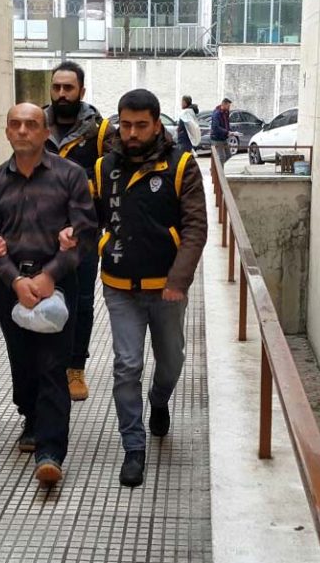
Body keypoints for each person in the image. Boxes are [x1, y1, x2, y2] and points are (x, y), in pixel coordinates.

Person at [93, 89, 207, 487]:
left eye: (141, 125)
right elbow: (93, 218)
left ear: (157, 124)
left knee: (171, 360)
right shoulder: (104, 167)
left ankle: (159, 400)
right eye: (125, 125)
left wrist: (178, 280)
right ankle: (133, 447)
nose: (132, 133)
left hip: (166, 288)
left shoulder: (181, 165)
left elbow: (195, 227)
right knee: (127, 365)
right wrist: (80, 234)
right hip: (119, 286)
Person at [0, 103, 97, 485]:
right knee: (22, 362)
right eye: (15, 124)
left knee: (52, 365)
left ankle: (51, 452)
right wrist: (15, 280)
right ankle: (30, 416)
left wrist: (50, 274)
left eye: (31, 124)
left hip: (57, 284)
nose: (22, 130)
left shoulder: (70, 175)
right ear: (7, 131)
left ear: (46, 132)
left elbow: (85, 231)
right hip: (11, 286)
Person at [44, 61, 115, 402]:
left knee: (82, 301)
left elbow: (113, 177)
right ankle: (49, 365)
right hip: (41, 233)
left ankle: (75, 367)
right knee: (45, 296)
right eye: (56, 87)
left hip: (84, 234)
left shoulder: (100, 132)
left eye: (68, 88)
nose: (61, 94)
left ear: (81, 91)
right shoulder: (36, 125)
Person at [210, 97, 240, 165]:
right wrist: (227, 132)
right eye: (228, 106)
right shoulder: (217, 113)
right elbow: (215, 127)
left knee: (228, 155)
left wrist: (230, 132)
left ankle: (217, 168)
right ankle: (219, 170)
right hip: (217, 138)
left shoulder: (226, 112)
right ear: (223, 104)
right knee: (221, 157)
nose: (229, 107)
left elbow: (226, 124)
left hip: (224, 138)